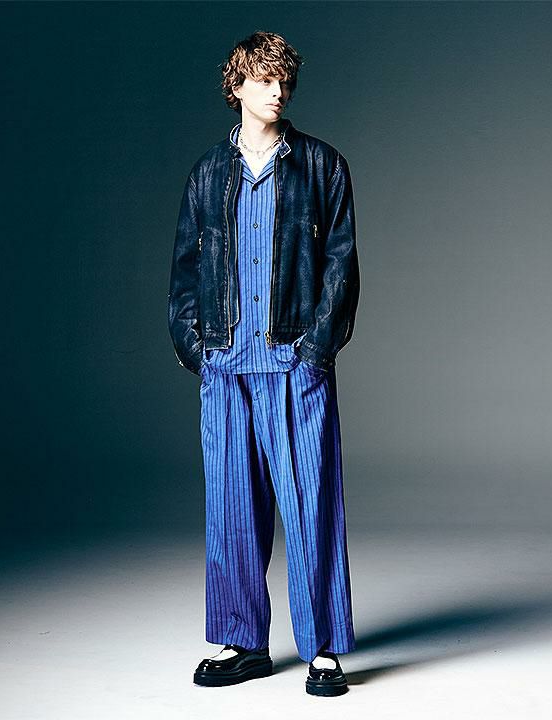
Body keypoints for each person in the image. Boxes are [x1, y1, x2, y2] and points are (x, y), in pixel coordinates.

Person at [168, 30, 360, 697]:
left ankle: (324, 649)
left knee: (311, 509)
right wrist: (198, 349)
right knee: (230, 510)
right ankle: (242, 641)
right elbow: (184, 270)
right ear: (238, 85)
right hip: (226, 365)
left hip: (293, 361)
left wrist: (315, 350)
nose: (278, 91)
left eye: (284, 79)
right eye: (264, 79)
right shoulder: (207, 173)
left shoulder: (322, 165)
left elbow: (341, 266)